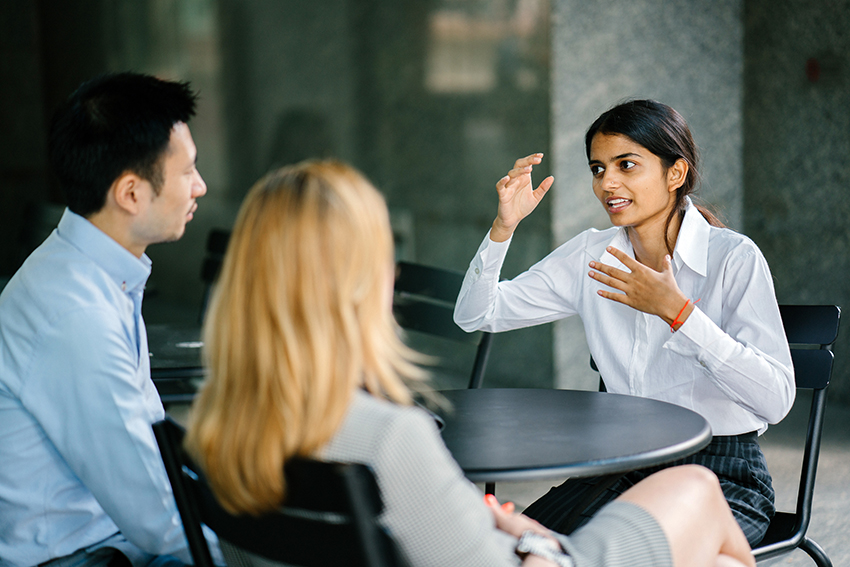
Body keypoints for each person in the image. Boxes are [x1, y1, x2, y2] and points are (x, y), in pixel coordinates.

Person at [185, 159, 756, 567]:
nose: (607, 183)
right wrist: (539, 546)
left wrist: (515, 528)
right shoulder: (389, 437)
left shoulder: (214, 419)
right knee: (699, 490)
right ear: (362, 282)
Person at [453, 99, 794, 547]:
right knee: (505, 551)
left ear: (675, 173)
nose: (607, 183)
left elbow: (776, 400)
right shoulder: (590, 256)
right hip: (620, 466)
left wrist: (680, 314)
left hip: (721, 476)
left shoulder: (733, 258)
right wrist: (503, 226)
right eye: (598, 169)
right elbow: (478, 314)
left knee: (608, 558)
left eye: (626, 165)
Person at [0, 72, 211, 567]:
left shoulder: (84, 272)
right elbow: (159, 517)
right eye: (187, 172)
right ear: (131, 194)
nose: (200, 186)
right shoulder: (77, 317)